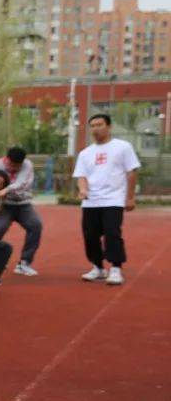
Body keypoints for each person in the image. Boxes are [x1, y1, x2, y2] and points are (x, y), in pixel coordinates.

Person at [73, 113, 141, 286]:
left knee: (112, 233)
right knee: (90, 236)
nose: (95, 129)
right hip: (91, 201)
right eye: (93, 126)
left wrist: (130, 197)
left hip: (114, 199)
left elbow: (131, 172)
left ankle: (116, 268)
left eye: (99, 125)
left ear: (109, 127)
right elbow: (81, 175)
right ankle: (98, 267)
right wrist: (83, 190)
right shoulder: (85, 153)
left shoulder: (122, 147)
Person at [0, 146, 42, 276]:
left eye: (17, 166)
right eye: (11, 165)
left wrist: (5, 190)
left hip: (23, 204)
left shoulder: (27, 165)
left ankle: (24, 263)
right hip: (5, 205)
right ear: (6, 160)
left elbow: (22, 184)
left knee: (35, 225)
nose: (13, 168)